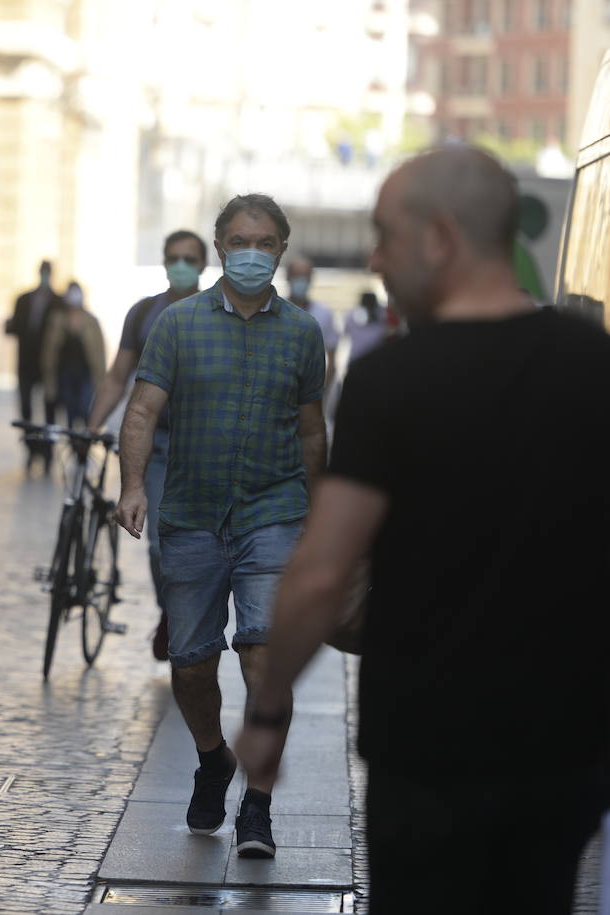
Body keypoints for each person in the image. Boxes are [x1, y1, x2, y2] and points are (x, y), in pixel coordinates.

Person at [236, 146, 610, 913]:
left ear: (439, 238)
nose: (373, 256)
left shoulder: (392, 381)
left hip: (428, 750)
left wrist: (269, 712)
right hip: (567, 747)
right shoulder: (594, 365)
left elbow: (318, 572)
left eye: (384, 235)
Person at [114, 194, 327, 860]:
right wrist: (129, 485)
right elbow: (142, 411)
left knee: (264, 655)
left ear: (282, 251)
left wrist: (318, 511)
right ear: (218, 246)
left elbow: (311, 427)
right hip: (192, 515)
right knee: (191, 662)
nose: (252, 253)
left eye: (265, 242)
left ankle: (258, 807)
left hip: (273, 511)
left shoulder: (302, 332)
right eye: (240, 240)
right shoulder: (176, 325)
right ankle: (213, 758)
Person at [88, 230, 208, 662]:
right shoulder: (143, 313)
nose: (181, 264)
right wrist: (92, 426)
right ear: (163, 261)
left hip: (205, 446)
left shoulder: (215, 313)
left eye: (189, 258)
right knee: (159, 544)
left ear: (202, 263)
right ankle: (171, 613)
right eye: (173, 257)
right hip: (155, 445)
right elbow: (117, 376)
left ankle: (195, 620)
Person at [6, 260, 59, 468]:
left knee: (49, 410)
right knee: (26, 409)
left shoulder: (58, 301)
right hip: (26, 364)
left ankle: (47, 453)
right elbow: (15, 327)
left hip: (49, 367)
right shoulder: (23, 299)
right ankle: (30, 449)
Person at [41, 281, 105, 428]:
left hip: (85, 373)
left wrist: (101, 379)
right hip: (65, 373)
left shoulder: (91, 321)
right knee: (70, 410)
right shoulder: (57, 320)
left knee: (85, 408)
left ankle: (83, 444)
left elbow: (99, 352)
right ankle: (73, 443)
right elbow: (49, 350)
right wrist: (49, 378)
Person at [286, 256, 338, 396]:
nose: (301, 282)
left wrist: (322, 394)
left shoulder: (324, 314)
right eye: (297, 277)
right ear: (288, 277)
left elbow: (332, 360)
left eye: (305, 277)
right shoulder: (274, 312)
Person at [342, 291, 390, 367]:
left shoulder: (351, 314)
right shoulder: (382, 314)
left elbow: (345, 332)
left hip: (357, 356)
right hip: (376, 357)